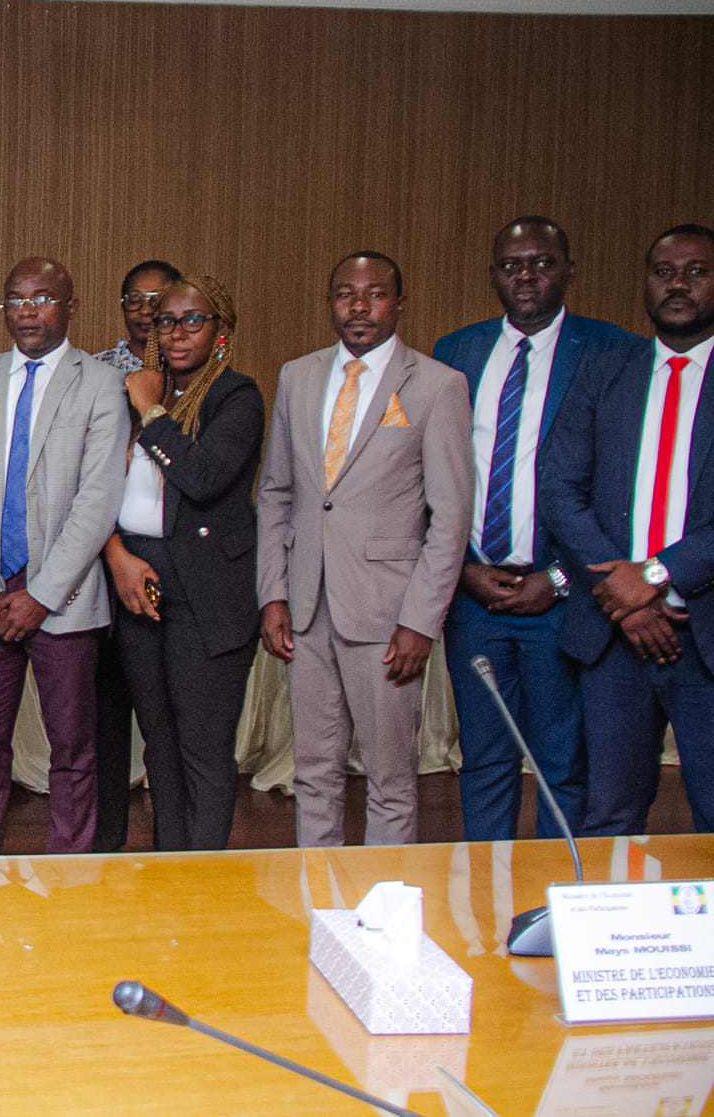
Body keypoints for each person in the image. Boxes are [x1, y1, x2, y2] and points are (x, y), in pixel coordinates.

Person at [256, 251, 472, 847]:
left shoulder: (437, 385)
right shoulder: (297, 376)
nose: (359, 306)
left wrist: (421, 620)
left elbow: (450, 517)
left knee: (391, 781)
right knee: (313, 774)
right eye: (345, 294)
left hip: (387, 613)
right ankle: (317, 895)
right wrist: (273, 594)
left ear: (399, 304)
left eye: (374, 294)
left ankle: (386, 902)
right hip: (306, 606)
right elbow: (276, 493)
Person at [432, 217, 635, 841]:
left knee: (561, 763)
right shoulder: (456, 352)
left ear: (569, 270)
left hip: (563, 596)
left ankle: (554, 889)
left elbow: (619, 486)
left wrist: (563, 578)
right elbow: (433, 475)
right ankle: (488, 890)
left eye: (542, 263)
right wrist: (461, 570)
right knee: (484, 760)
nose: (526, 276)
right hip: (476, 597)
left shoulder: (612, 350)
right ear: (493, 274)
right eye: (512, 264)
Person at [0, 256, 127, 856]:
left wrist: (41, 595)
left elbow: (99, 499)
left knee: (72, 748)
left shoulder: (100, 384)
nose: (27, 312)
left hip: (63, 599)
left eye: (42, 298)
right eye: (16, 300)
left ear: (71, 307)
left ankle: (68, 871)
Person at [544, 224, 714, 834]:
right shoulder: (605, 371)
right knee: (609, 818)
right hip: (613, 635)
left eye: (696, 272)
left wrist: (658, 575)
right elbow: (559, 489)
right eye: (664, 272)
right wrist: (626, 594)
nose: (677, 284)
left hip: (704, 633)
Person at [102, 276, 264, 851]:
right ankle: (170, 867)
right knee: (160, 745)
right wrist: (117, 554)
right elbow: (99, 487)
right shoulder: (136, 394)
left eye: (193, 320)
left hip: (208, 591)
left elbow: (201, 477)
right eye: (166, 320)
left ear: (220, 330)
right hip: (136, 580)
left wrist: (151, 409)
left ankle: (204, 877)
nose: (176, 332)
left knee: (202, 747)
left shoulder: (237, 397)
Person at [88, 259, 180, 851]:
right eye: (134, 299)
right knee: (105, 709)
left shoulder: (200, 373)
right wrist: (112, 551)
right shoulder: (95, 372)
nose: (146, 310)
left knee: (167, 713)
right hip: (102, 554)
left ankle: (174, 843)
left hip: (176, 559)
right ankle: (105, 844)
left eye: (159, 298)